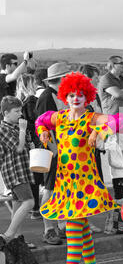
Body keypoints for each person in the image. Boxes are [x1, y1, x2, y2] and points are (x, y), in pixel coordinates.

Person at [35, 71, 123, 264]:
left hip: (84, 183)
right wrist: (43, 133)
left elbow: (121, 121)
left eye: (80, 95)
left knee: (74, 224)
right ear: (65, 97)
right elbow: (40, 120)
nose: (75, 99)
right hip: (65, 181)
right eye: (71, 95)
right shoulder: (60, 117)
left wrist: (99, 130)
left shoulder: (91, 118)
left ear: (87, 97)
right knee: (81, 224)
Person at [99, 55, 123, 234]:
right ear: (112, 65)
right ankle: (118, 222)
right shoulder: (106, 78)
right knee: (119, 169)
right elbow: (119, 94)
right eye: (120, 63)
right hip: (114, 125)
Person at [36, 62, 70, 245]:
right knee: (49, 189)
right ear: (62, 79)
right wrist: (54, 150)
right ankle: (48, 229)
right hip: (52, 151)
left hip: (62, 150)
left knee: (58, 189)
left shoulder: (57, 95)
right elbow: (42, 126)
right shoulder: (47, 97)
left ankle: (59, 225)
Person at [0, 96, 35, 246]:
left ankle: (17, 240)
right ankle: (8, 235)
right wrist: (22, 129)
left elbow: (26, 145)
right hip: (14, 172)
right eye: (16, 111)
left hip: (21, 169)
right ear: (6, 113)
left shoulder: (13, 127)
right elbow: (19, 148)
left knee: (17, 204)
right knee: (29, 202)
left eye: (20, 110)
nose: (20, 114)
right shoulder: (3, 129)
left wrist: (27, 137)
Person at [78, 64, 104, 233]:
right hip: (82, 149)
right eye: (96, 78)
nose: (98, 81)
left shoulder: (94, 96)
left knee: (93, 185)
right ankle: (83, 223)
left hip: (95, 145)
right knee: (84, 185)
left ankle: (86, 222)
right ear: (87, 78)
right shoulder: (79, 98)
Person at [16, 73, 43, 220]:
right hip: (34, 140)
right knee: (37, 175)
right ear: (29, 85)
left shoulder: (19, 102)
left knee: (31, 175)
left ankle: (33, 208)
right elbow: (36, 119)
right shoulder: (32, 100)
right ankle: (36, 208)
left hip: (24, 140)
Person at [0, 52, 35, 117]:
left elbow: (31, 71)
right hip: (5, 116)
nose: (17, 66)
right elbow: (14, 76)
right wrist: (25, 61)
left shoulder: (10, 78)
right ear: (7, 66)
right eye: (15, 64)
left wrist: (30, 59)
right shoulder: (1, 77)